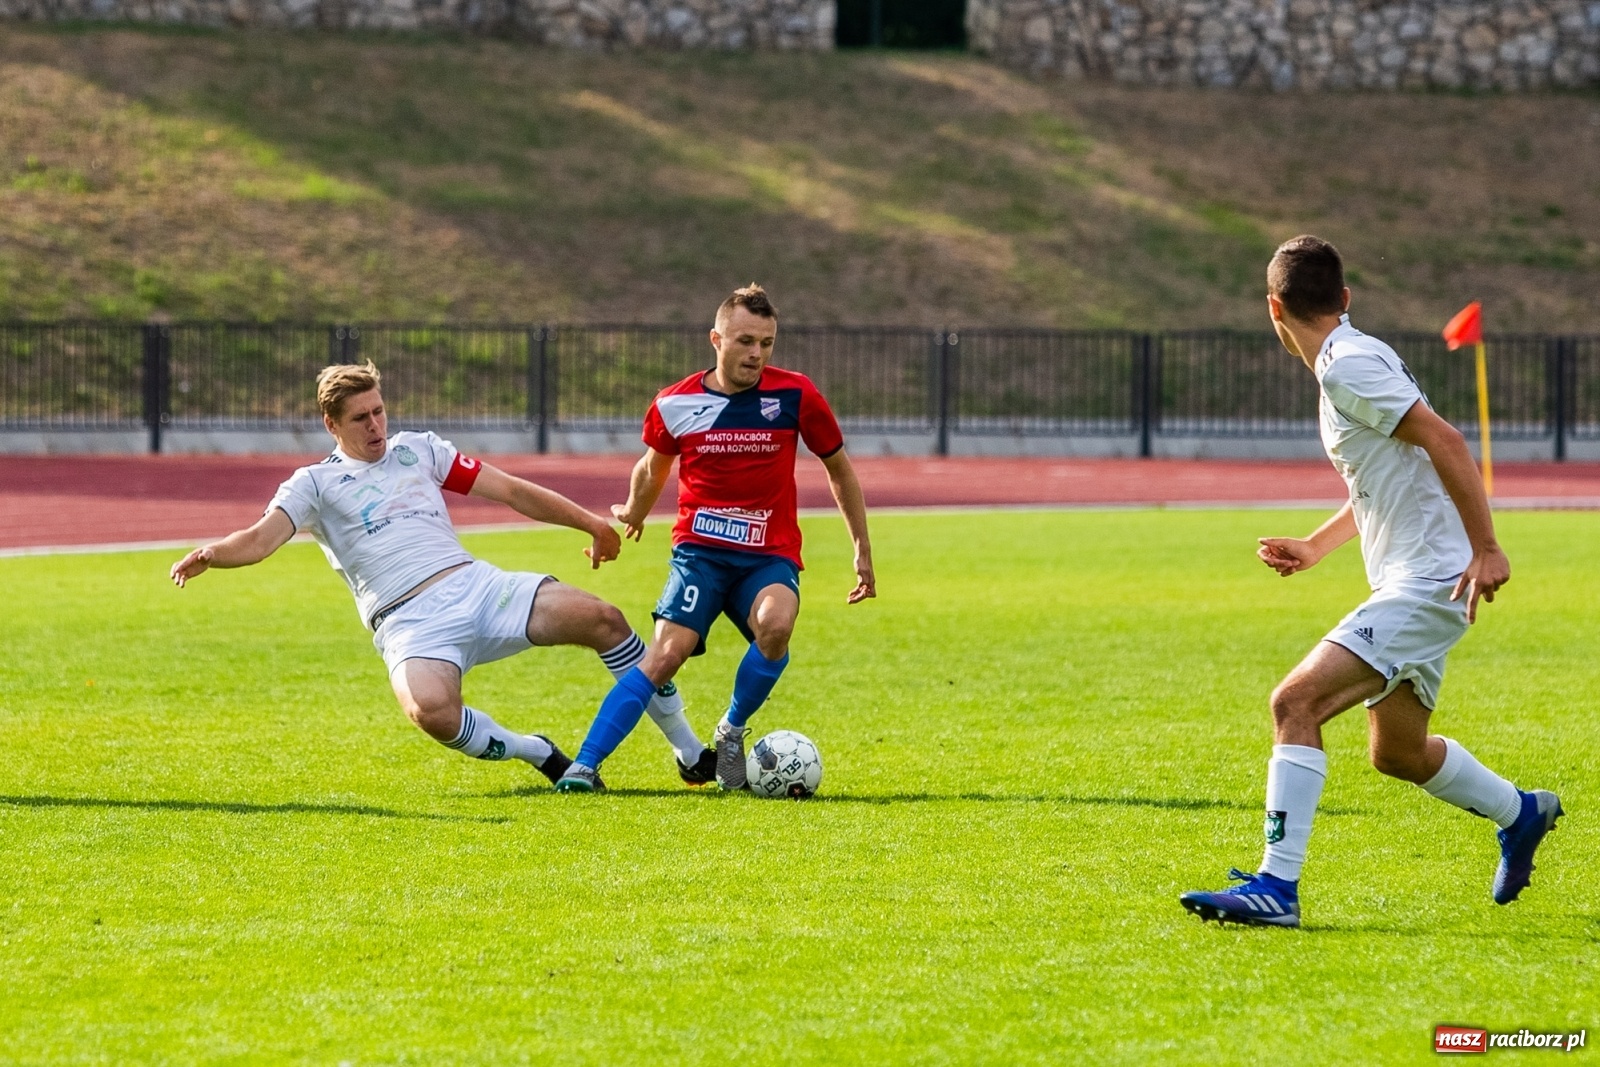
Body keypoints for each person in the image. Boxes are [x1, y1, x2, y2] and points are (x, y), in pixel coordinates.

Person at [1179, 237, 1562, 927]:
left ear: (1274, 309)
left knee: (1293, 702)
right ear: (1345, 298)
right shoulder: (1355, 355)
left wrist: (1489, 548)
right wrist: (1318, 545)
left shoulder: (1347, 367)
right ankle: (1521, 810)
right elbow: (1384, 475)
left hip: (1428, 581)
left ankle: (1276, 886)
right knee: (1398, 753)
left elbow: (1445, 440)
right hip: (1421, 578)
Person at [169, 360, 714, 787]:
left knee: (604, 618)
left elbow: (512, 490)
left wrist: (590, 523)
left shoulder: (419, 451)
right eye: (360, 418)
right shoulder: (313, 484)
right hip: (407, 623)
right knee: (430, 712)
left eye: (379, 411)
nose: (376, 425)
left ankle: (689, 752)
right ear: (331, 424)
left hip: (475, 587)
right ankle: (537, 751)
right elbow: (261, 539)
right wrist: (214, 553)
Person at [553, 284, 875, 792]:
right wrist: (633, 511)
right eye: (746, 341)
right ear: (716, 339)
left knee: (776, 625)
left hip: (767, 555)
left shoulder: (796, 395)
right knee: (663, 656)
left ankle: (730, 730)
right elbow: (653, 467)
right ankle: (584, 766)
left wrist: (861, 547)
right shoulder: (675, 403)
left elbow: (839, 469)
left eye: (766, 343)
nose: (757, 354)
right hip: (699, 556)